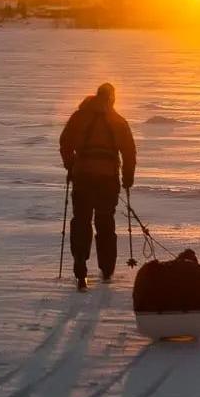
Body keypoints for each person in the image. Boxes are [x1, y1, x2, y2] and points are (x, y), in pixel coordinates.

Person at [60, 83, 137, 290]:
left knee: (81, 220)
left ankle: (80, 264)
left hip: (82, 176)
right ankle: (106, 268)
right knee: (105, 222)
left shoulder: (79, 117)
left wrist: (70, 165)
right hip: (107, 179)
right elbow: (129, 151)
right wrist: (127, 178)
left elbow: (65, 141)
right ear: (112, 98)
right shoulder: (117, 120)